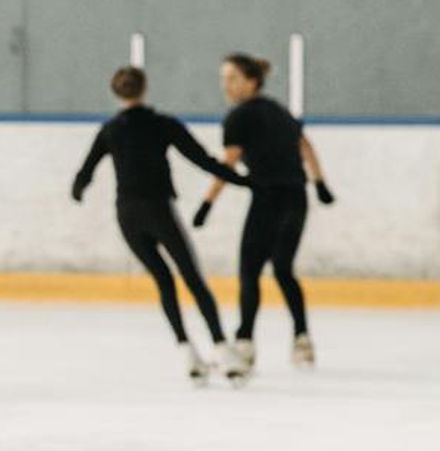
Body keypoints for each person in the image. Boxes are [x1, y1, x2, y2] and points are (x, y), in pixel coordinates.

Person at [72, 67, 251, 386]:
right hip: (158, 210)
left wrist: (79, 188)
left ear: (117, 93)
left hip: (127, 214)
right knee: (192, 278)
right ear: (145, 87)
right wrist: (245, 181)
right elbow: (203, 159)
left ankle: (187, 352)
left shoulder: (110, 130)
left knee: (163, 281)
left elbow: (84, 173)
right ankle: (222, 349)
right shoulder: (162, 125)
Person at [193, 53, 335, 371]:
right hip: (296, 197)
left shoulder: (239, 117)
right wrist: (320, 182)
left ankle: (246, 342)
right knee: (283, 268)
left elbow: (228, 163)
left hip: (269, 199)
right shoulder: (279, 110)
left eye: (232, 78)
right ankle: (300, 338)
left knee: (251, 271)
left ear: (251, 81)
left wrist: (207, 203)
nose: (225, 85)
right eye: (224, 78)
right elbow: (305, 146)